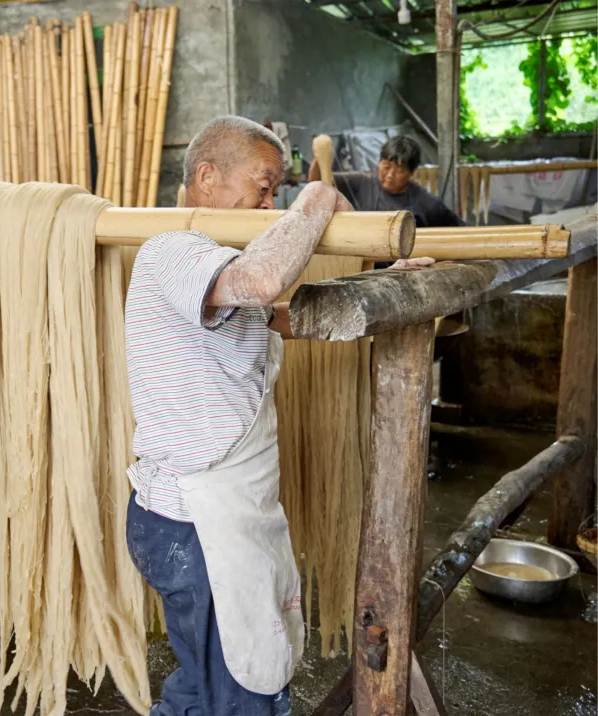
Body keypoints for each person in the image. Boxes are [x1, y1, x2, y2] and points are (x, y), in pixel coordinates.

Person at [123, 115, 432, 716]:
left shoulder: (216, 267)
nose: (270, 205)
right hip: (197, 523)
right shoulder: (173, 251)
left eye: (278, 193)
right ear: (207, 177)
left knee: (201, 685)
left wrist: (384, 285)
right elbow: (263, 283)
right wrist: (317, 197)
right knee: (245, 689)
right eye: (264, 187)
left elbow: (279, 315)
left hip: (220, 515)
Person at [332, 134, 465, 229]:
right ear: (379, 162)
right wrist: (321, 156)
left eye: (399, 171)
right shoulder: (361, 182)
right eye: (386, 166)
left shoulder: (428, 204)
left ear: (411, 173)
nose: (390, 175)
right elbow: (318, 181)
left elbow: (462, 231)